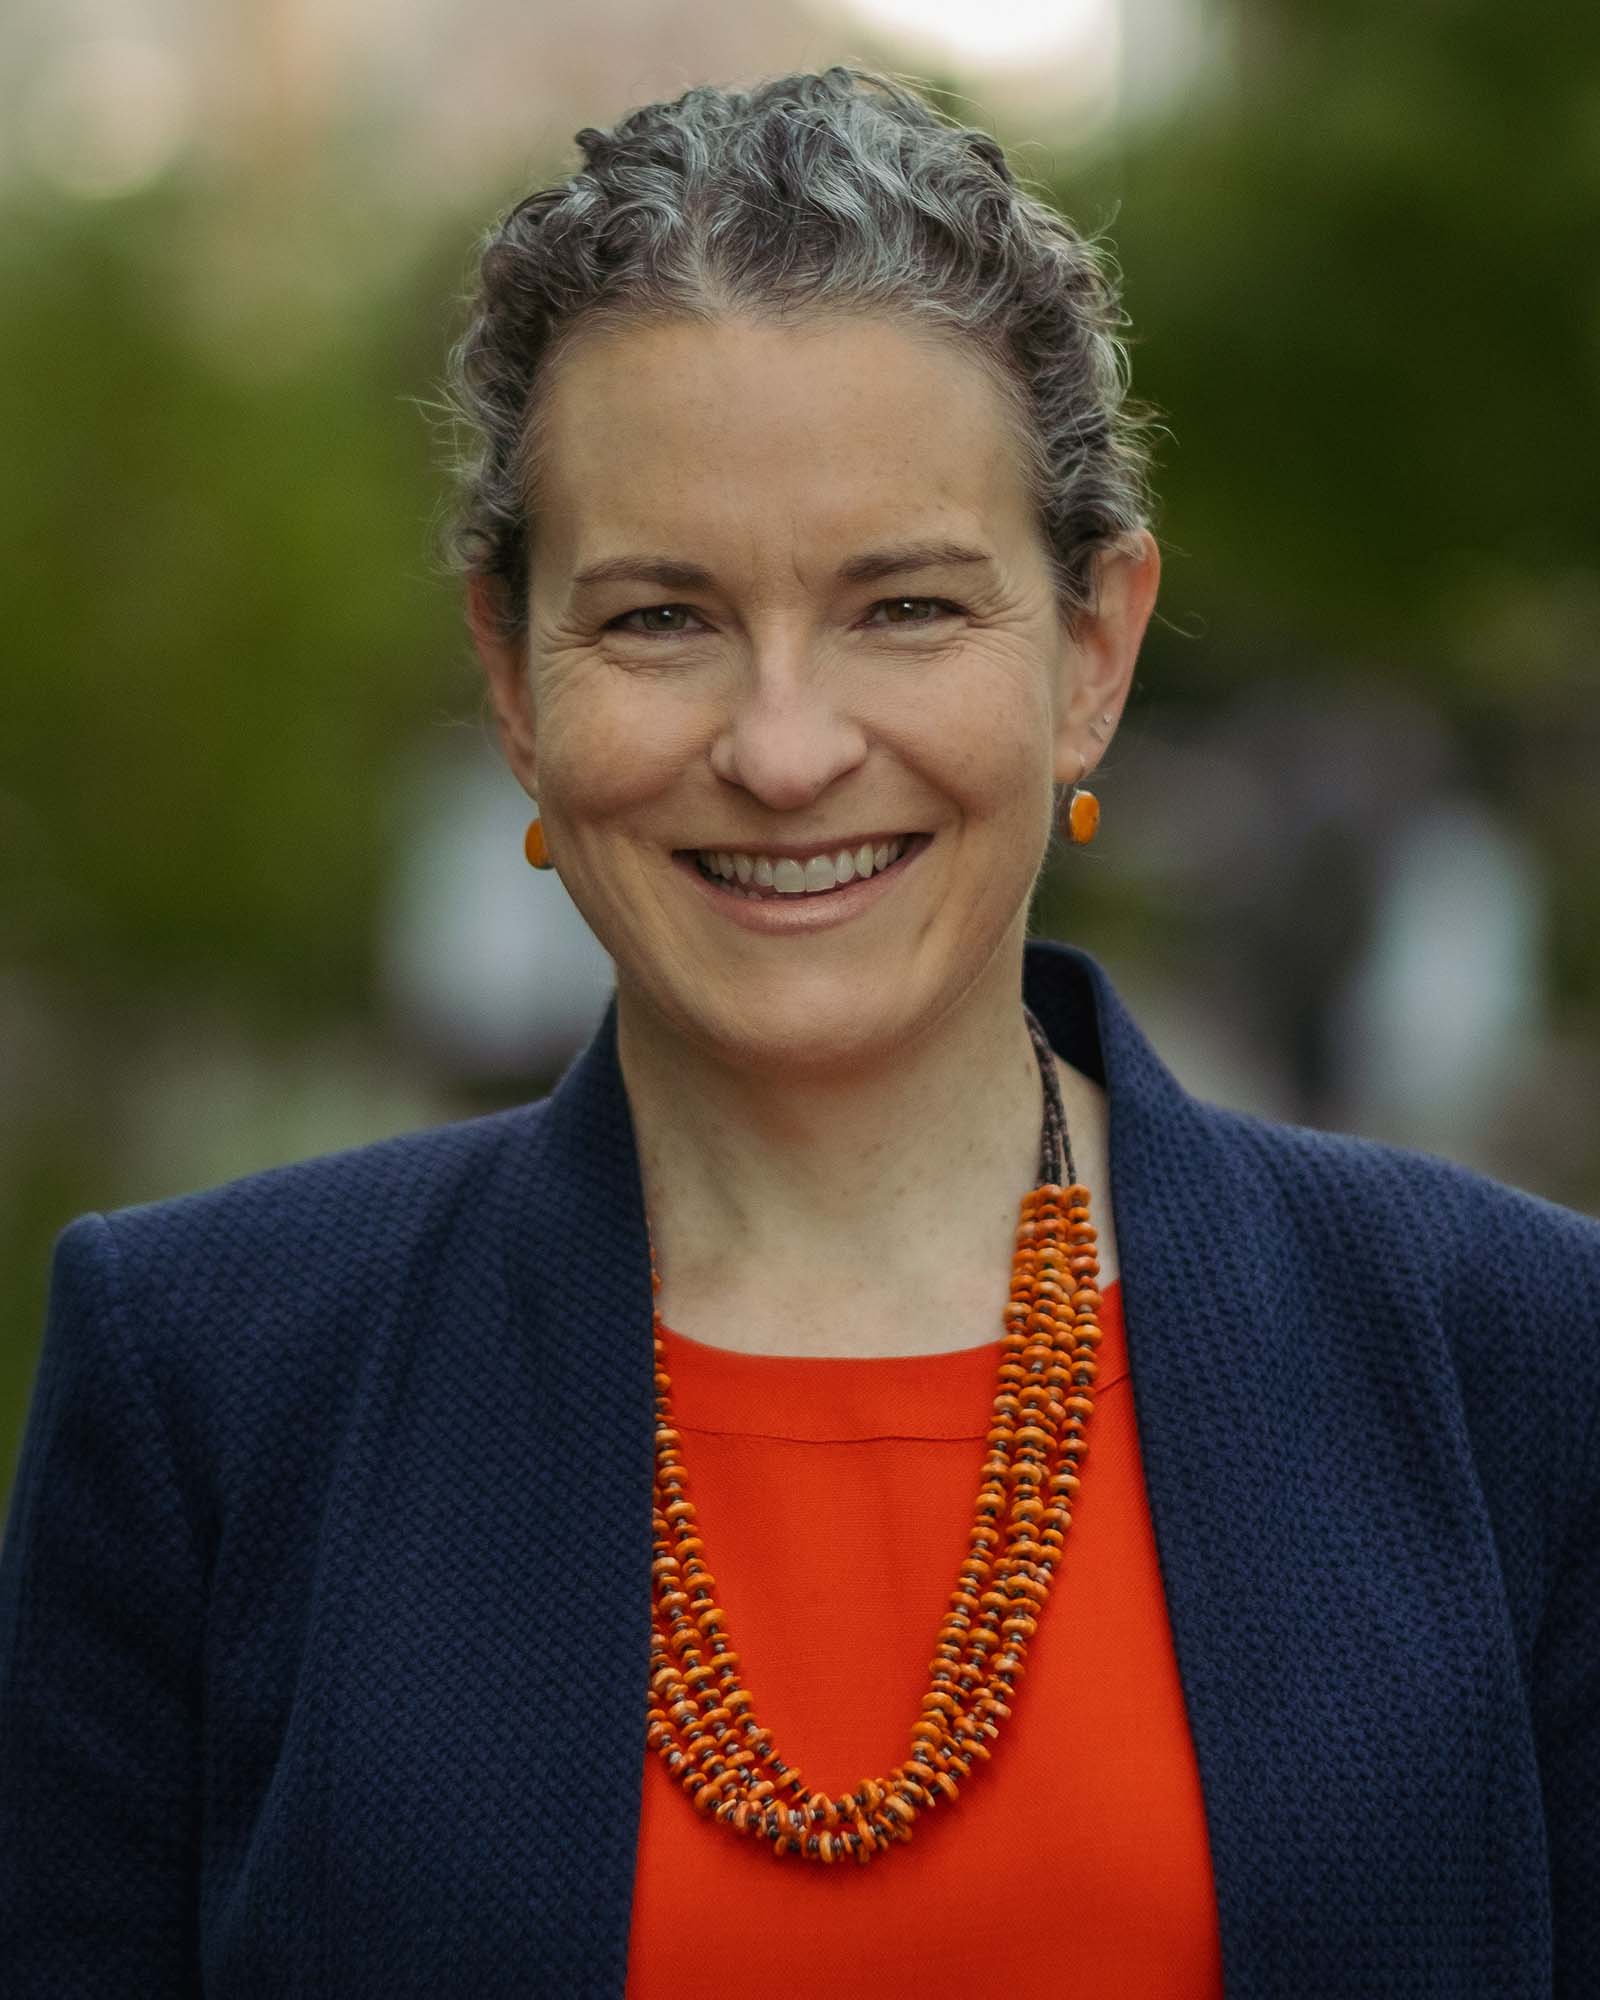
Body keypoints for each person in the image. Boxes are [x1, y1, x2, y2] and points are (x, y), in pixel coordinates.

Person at [1, 65, 1595, 2000]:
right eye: (661, 620)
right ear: (512, 678)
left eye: (905, 607)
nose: (781, 747)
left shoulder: (1519, 1365)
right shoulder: (216, 1386)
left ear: (1092, 653)